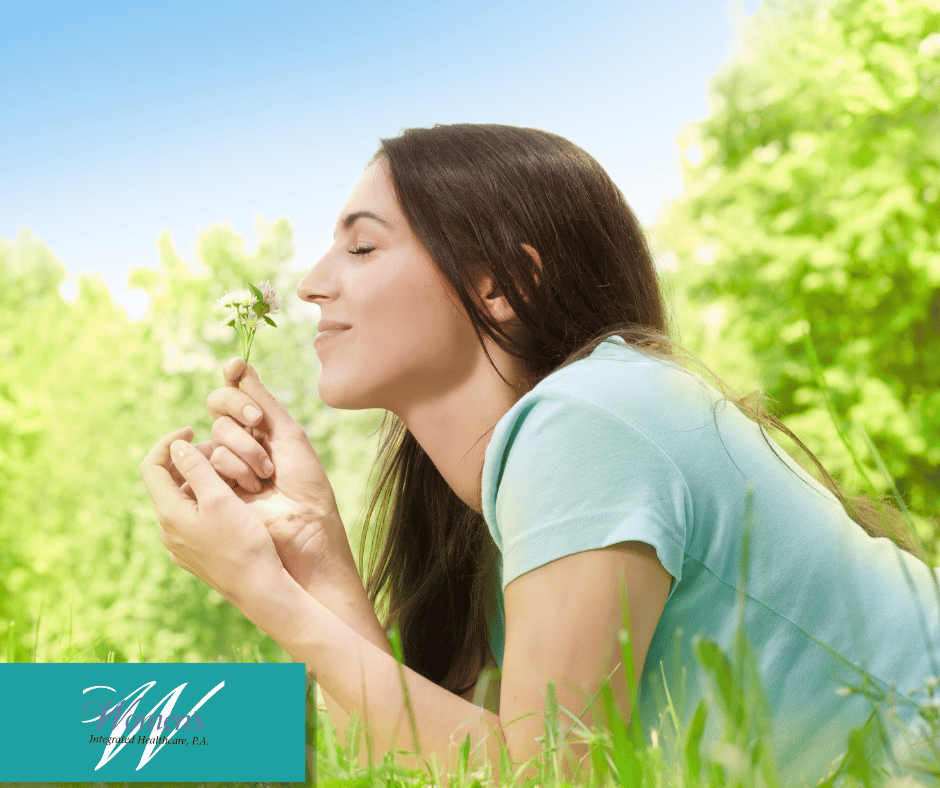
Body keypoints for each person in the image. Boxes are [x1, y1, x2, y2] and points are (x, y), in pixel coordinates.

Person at [140, 123, 940, 785]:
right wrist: (311, 559)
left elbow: (549, 778)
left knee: (56, 734)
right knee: (51, 730)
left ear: (500, 287)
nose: (312, 283)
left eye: (362, 249)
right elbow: (427, 757)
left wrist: (256, 587)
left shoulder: (588, 421)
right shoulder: (518, 514)